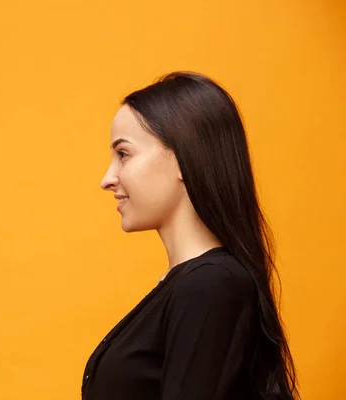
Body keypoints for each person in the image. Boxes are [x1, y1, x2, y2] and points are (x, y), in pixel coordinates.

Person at [82, 72, 299, 400]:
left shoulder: (210, 286)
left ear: (185, 157)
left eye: (123, 154)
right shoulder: (192, 284)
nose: (107, 178)